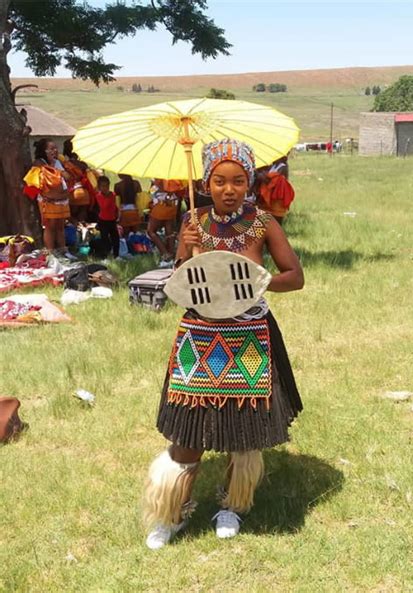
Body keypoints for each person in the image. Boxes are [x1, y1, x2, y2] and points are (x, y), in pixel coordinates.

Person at [143, 138, 304, 550]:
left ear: (248, 183)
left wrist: (255, 283)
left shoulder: (264, 223)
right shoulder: (193, 222)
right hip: (199, 335)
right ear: (207, 183)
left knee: (243, 427)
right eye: (219, 181)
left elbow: (294, 276)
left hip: (249, 334)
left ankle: (233, 504)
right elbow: (181, 278)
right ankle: (171, 511)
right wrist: (187, 246)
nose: (228, 189)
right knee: (187, 428)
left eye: (237, 181)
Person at [24, 138, 71, 251]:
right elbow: (37, 182)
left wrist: (57, 167)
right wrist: (55, 170)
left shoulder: (57, 162)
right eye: (51, 148)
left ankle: (63, 250)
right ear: (44, 150)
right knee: (50, 227)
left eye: (56, 148)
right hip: (48, 200)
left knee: (60, 226)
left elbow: (67, 177)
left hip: (61, 199)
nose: (55, 151)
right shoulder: (39, 163)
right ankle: (50, 252)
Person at [147, 179, 183, 262]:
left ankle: (165, 255)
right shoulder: (174, 178)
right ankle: (172, 255)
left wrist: (152, 187)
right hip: (172, 204)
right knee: (169, 232)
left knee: (151, 231)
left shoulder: (159, 178)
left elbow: (152, 191)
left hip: (161, 204)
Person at [257, 155, 295, 224]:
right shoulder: (272, 166)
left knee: (276, 222)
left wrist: (263, 176)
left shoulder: (283, 166)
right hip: (268, 199)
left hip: (277, 198)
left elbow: (275, 180)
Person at [94, 175, 120, 259]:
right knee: (104, 239)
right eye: (103, 186)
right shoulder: (98, 196)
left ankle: (116, 255)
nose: (105, 188)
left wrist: (117, 215)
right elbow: (103, 206)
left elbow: (116, 207)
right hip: (103, 220)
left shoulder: (113, 195)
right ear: (99, 187)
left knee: (115, 238)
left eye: (107, 186)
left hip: (112, 220)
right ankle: (105, 256)